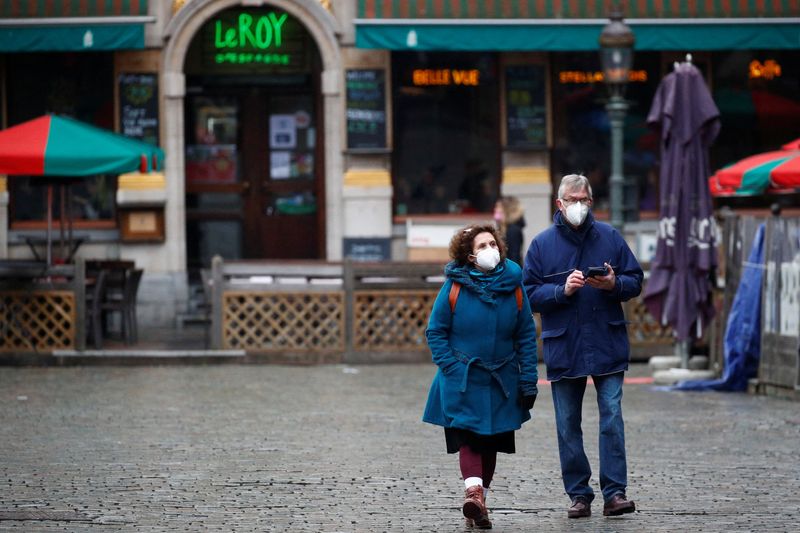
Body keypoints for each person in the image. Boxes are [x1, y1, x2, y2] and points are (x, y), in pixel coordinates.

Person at [522, 174, 643, 519]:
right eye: (572, 199)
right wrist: (563, 290)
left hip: (607, 340)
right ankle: (579, 494)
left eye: (584, 199)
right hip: (565, 346)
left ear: (591, 202)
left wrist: (612, 283)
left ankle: (615, 493)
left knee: (611, 418)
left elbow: (635, 280)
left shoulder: (610, 236)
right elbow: (529, 294)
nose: (578, 205)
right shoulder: (542, 245)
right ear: (558, 204)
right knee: (567, 424)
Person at [422, 223, 539, 529]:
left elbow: (526, 335)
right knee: (470, 439)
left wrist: (528, 380)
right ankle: (473, 493)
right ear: (471, 257)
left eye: (493, 244)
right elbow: (436, 332)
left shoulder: (514, 286)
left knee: (490, 443)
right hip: (463, 378)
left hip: (502, 379)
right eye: (482, 246)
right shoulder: (454, 287)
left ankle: (479, 503)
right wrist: (452, 367)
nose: (491, 250)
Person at [493, 196, 526, 266]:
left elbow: (514, 256)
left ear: (507, 210)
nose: (495, 209)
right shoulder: (502, 228)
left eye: (498, 207)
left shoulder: (513, 230)